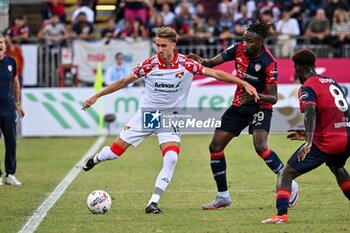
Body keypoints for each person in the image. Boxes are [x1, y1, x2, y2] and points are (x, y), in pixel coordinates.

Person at [81, 27, 259, 214]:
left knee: (172, 157)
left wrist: (243, 83)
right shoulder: (149, 64)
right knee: (114, 153)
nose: (160, 49)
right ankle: (95, 158)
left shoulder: (186, 64)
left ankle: (153, 202)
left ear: (174, 45)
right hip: (147, 116)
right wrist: (97, 96)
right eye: (157, 45)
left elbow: (216, 74)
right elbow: (124, 81)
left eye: (164, 45)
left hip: (169, 118)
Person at [187, 21, 299, 210]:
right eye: (244, 40)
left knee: (260, 146)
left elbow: (273, 98)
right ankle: (223, 196)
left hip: (260, 106)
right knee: (215, 146)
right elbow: (211, 63)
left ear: (260, 42)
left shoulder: (269, 62)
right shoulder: (237, 49)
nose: (245, 44)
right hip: (239, 105)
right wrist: (199, 60)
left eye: (250, 41)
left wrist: (255, 95)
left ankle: (290, 184)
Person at [261, 48, 350, 224]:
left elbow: (310, 112)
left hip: (328, 142)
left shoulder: (307, 86)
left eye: (295, 70)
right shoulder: (331, 81)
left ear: (298, 68)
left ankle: (281, 214)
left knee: (286, 173)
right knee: (336, 166)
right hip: (346, 137)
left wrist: (309, 141)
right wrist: (310, 133)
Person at [0, 35, 25, 186]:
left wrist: (17, 103)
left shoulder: (11, 62)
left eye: (1, 42)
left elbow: (15, 82)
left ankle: (10, 174)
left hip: (8, 107)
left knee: (11, 142)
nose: (0, 45)